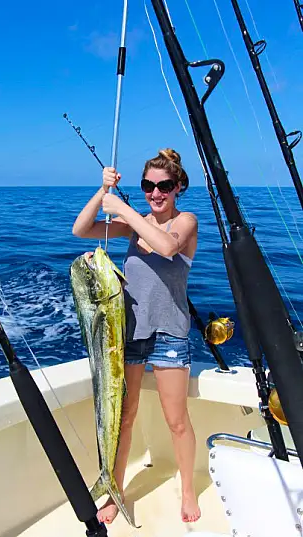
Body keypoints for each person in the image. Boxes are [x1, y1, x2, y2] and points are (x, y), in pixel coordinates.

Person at [72, 149, 200, 524]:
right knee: (123, 419)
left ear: (178, 187)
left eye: (163, 186)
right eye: (148, 185)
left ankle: (188, 491)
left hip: (171, 335)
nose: (156, 193)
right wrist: (102, 192)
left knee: (177, 421)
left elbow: (167, 246)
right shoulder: (133, 225)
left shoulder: (186, 222)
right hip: (130, 334)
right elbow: (81, 229)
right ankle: (116, 490)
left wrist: (124, 210)